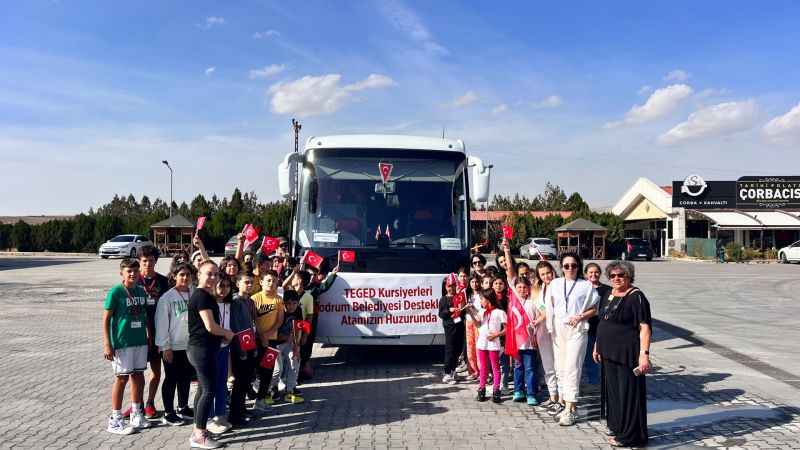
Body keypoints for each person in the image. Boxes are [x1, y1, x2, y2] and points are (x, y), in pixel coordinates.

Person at [594, 261, 651, 448]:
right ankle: (618, 427)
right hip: (608, 353)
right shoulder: (607, 294)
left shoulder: (636, 297)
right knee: (614, 394)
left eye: (621, 275)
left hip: (627, 354)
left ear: (629, 276)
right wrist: (597, 345)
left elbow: (644, 328)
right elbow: (602, 322)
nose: (616, 279)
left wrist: (644, 354)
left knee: (628, 394)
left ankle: (630, 435)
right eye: (612, 276)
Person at [186, 261, 234, 449]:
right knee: (208, 391)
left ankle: (198, 430)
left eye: (215, 274)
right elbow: (210, 326)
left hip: (203, 348)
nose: (213, 277)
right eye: (208, 274)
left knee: (203, 390)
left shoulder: (205, 295)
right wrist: (227, 333)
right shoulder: (202, 297)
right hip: (202, 350)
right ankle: (200, 435)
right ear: (199, 274)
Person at [548, 252, 599, 426]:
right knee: (560, 368)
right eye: (566, 265)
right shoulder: (555, 284)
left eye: (574, 265)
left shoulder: (586, 285)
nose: (570, 268)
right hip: (558, 330)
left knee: (572, 368)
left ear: (579, 266)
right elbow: (551, 307)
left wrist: (580, 317)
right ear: (561, 268)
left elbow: (594, 309)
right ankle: (565, 404)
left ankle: (570, 410)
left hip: (577, 329)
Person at [103, 258, 150, 434]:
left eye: (135, 271)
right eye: (129, 271)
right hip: (122, 343)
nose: (133, 274)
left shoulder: (140, 291)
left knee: (138, 376)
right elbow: (106, 319)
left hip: (139, 340)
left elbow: (144, 316)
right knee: (121, 378)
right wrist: (108, 343)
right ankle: (115, 419)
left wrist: (149, 337)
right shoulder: (116, 292)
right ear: (121, 273)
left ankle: (136, 413)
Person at [155, 263, 195, 426]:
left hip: (190, 345)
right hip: (172, 346)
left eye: (187, 275)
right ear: (174, 276)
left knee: (185, 377)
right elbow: (162, 323)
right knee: (171, 378)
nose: (185, 278)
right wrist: (165, 347)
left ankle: (183, 407)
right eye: (181, 275)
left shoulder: (194, 294)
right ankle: (168, 412)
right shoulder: (167, 298)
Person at [137, 245, 169, 420]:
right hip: (139, 335)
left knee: (156, 372)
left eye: (151, 261)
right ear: (139, 262)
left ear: (156, 261)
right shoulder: (133, 281)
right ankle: (137, 404)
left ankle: (150, 402)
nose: (148, 264)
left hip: (158, 334)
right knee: (137, 373)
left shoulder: (164, 282)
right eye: (144, 261)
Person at [228, 271, 257, 427]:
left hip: (250, 344)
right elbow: (238, 328)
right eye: (246, 282)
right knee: (239, 382)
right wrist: (242, 350)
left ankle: (242, 409)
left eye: (251, 282)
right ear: (238, 283)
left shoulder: (249, 301)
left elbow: (250, 326)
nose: (249, 285)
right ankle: (235, 415)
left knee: (246, 381)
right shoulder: (236, 301)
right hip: (240, 347)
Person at [251, 270, 284, 409]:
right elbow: (252, 320)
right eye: (269, 280)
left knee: (268, 371)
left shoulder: (278, 299)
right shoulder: (254, 299)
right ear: (261, 282)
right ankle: (250, 396)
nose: (271, 283)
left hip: (271, 342)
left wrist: (268, 334)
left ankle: (261, 400)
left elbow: (279, 321)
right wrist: (261, 335)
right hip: (256, 341)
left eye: (274, 281)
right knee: (254, 371)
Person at [466, 289, 506, 403]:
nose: (481, 301)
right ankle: (481, 389)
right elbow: (478, 324)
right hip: (482, 343)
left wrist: (496, 335)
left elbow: (507, 328)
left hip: (493, 344)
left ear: (488, 299)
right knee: (483, 367)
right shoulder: (482, 312)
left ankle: (496, 390)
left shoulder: (499, 312)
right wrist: (471, 314)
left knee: (495, 368)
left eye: (482, 299)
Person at [207, 275, 234, 434]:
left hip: (225, 347)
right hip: (212, 348)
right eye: (220, 286)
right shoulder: (209, 304)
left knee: (222, 382)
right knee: (210, 383)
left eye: (226, 286)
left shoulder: (230, 304)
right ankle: (208, 417)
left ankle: (220, 414)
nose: (223, 289)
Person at [531, 260, 559, 411]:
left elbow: (551, 311)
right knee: (548, 366)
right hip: (543, 331)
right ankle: (552, 396)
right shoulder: (539, 290)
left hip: (558, 331)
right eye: (543, 274)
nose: (546, 276)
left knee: (559, 366)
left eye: (548, 273)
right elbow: (540, 310)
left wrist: (540, 318)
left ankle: (561, 399)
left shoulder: (560, 287)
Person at [273, 290, 305, 403]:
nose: (291, 306)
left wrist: (297, 346)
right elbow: (273, 332)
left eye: (294, 303)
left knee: (295, 361)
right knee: (278, 369)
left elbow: (299, 328)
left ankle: (290, 390)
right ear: (284, 303)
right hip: (275, 343)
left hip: (289, 342)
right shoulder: (279, 311)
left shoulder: (299, 310)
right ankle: (272, 389)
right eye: (288, 303)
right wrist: (286, 338)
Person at [583, 263, 610, 387]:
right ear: (586, 274)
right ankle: (592, 382)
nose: (593, 274)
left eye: (596, 272)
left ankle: (601, 381)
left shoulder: (607, 290)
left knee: (601, 356)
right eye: (590, 272)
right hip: (586, 328)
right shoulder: (582, 288)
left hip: (601, 328)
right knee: (589, 357)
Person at [438, 273, 466, 384]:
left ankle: (453, 371)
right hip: (449, 327)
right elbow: (441, 314)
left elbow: (462, 311)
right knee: (450, 349)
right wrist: (449, 310)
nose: (451, 288)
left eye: (454, 286)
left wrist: (463, 308)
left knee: (458, 349)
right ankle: (447, 372)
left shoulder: (459, 297)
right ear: (446, 287)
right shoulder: (443, 299)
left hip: (459, 326)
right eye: (449, 286)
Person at [464, 275, 482, 381]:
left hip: (479, 322)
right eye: (472, 282)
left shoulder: (482, 294)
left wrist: (473, 309)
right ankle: (473, 370)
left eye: (476, 282)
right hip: (469, 321)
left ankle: (481, 370)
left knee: (478, 347)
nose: (474, 284)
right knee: (470, 347)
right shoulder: (467, 294)